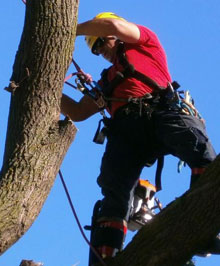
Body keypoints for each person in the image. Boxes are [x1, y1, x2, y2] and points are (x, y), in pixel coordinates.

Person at [61, 12, 216, 265]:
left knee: (200, 151)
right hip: (126, 132)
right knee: (115, 192)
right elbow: (78, 112)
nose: (102, 52)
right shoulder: (107, 80)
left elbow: (112, 24)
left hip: (160, 112)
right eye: (96, 50)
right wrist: (47, 88)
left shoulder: (145, 43)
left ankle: (206, 222)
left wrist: (66, 30)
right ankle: (107, 255)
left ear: (113, 36)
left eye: (102, 44)